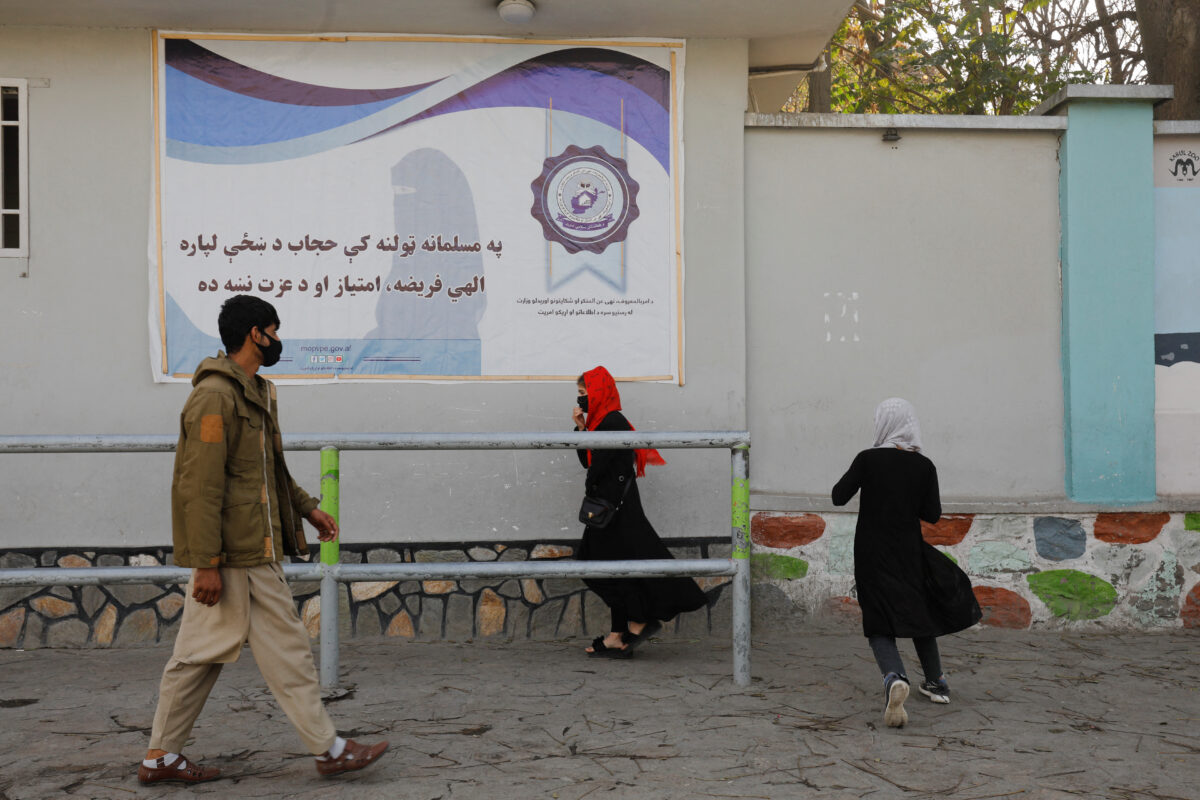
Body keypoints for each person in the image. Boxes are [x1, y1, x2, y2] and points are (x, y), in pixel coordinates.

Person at [137, 296, 388, 784]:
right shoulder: (215, 397)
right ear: (256, 333)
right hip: (235, 555)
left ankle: (162, 757)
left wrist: (307, 508)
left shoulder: (252, 391)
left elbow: (269, 469)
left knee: (224, 656)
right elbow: (200, 485)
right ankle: (328, 749)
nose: (277, 339)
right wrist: (206, 563)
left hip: (254, 548)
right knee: (216, 656)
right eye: (274, 330)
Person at [831, 397, 981, 728]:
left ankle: (894, 678)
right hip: (909, 552)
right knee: (918, 613)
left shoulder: (868, 459)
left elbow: (838, 496)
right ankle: (936, 682)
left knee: (878, 619)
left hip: (871, 552)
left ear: (882, 424)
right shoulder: (924, 466)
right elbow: (932, 514)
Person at [572, 366, 707, 658]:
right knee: (614, 568)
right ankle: (621, 631)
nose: (580, 399)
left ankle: (635, 622)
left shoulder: (613, 421)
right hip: (611, 510)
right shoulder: (601, 421)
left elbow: (596, 468)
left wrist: (590, 489)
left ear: (598, 392)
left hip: (614, 510)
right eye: (579, 393)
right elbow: (588, 461)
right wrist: (582, 428)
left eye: (584, 393)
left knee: (597, 566)